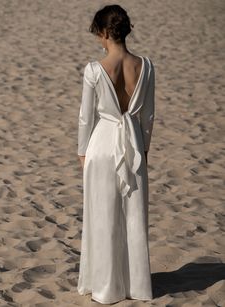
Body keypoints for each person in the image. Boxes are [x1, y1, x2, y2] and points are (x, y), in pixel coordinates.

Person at [77, 4, 155, 304]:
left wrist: (82, 152)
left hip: (101, 145)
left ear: (107, 32)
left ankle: (106, 286)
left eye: (98, 34)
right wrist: (144, 149)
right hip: (133, 144)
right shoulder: (146, 66)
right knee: (133, 216)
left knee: (103, 215)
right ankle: (136, 286)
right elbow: (148, 116)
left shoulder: (95, 69)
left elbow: (85, 117)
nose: (98, 39)